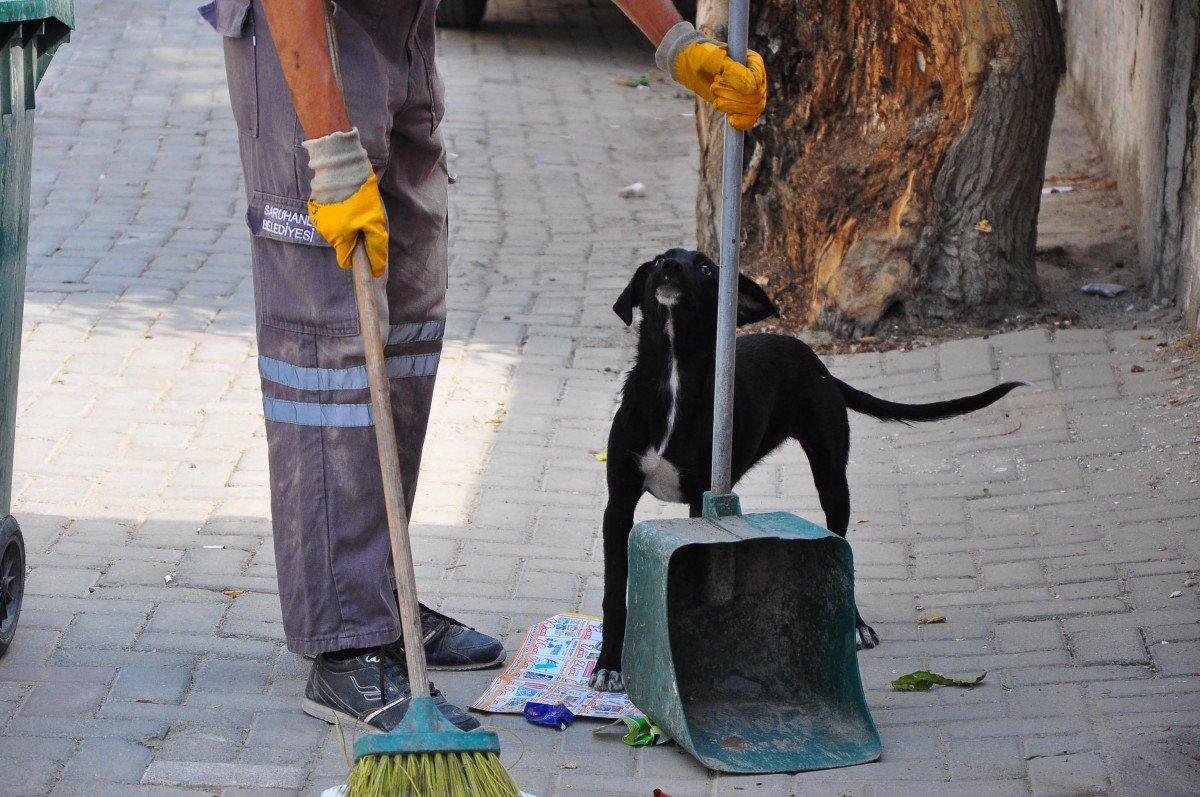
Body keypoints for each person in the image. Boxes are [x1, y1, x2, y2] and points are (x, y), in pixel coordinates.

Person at [200, 0, 766, 733]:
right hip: (304, 29)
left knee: (406, 309)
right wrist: (332, 155)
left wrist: (677, 45)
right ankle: (344, 641)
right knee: (333, 334)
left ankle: (380, 597)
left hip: (398, 23)